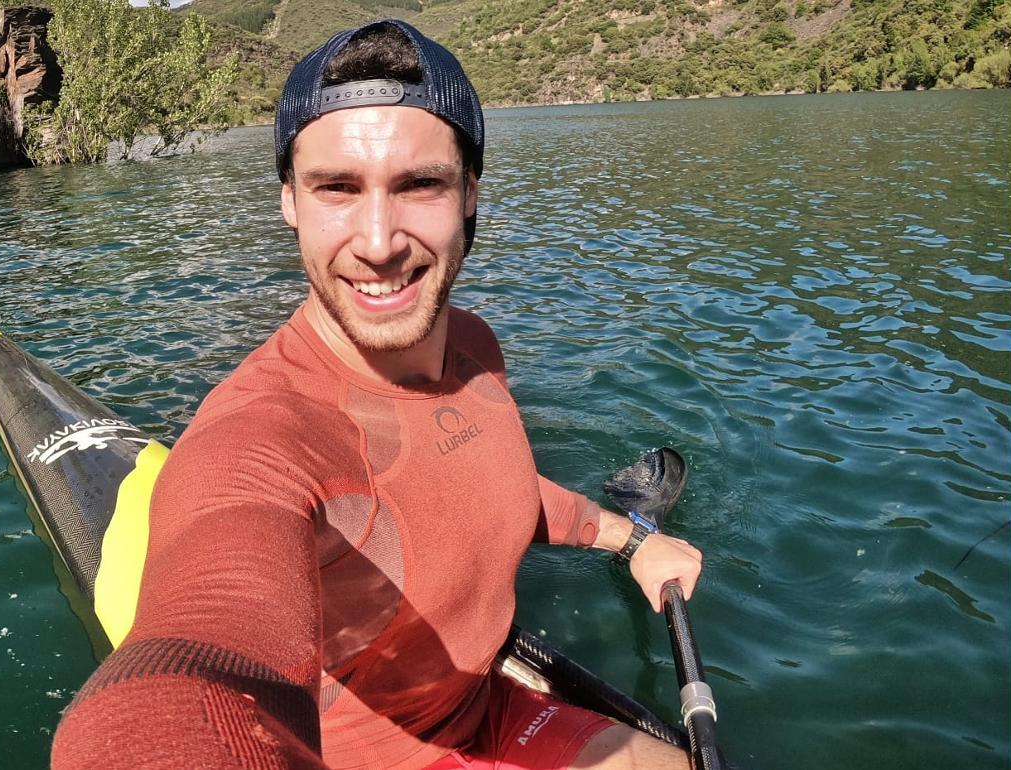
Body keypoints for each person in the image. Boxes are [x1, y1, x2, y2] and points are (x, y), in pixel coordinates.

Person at [52, 19, 702, 770]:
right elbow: (200, 655)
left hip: (491, 707)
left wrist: (633, 540)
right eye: (337, 188)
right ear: (289, 202)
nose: (378, 239)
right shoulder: (257, 438)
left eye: (420, 184)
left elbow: (496, 487)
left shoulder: (475, 344)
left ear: (470, 195)